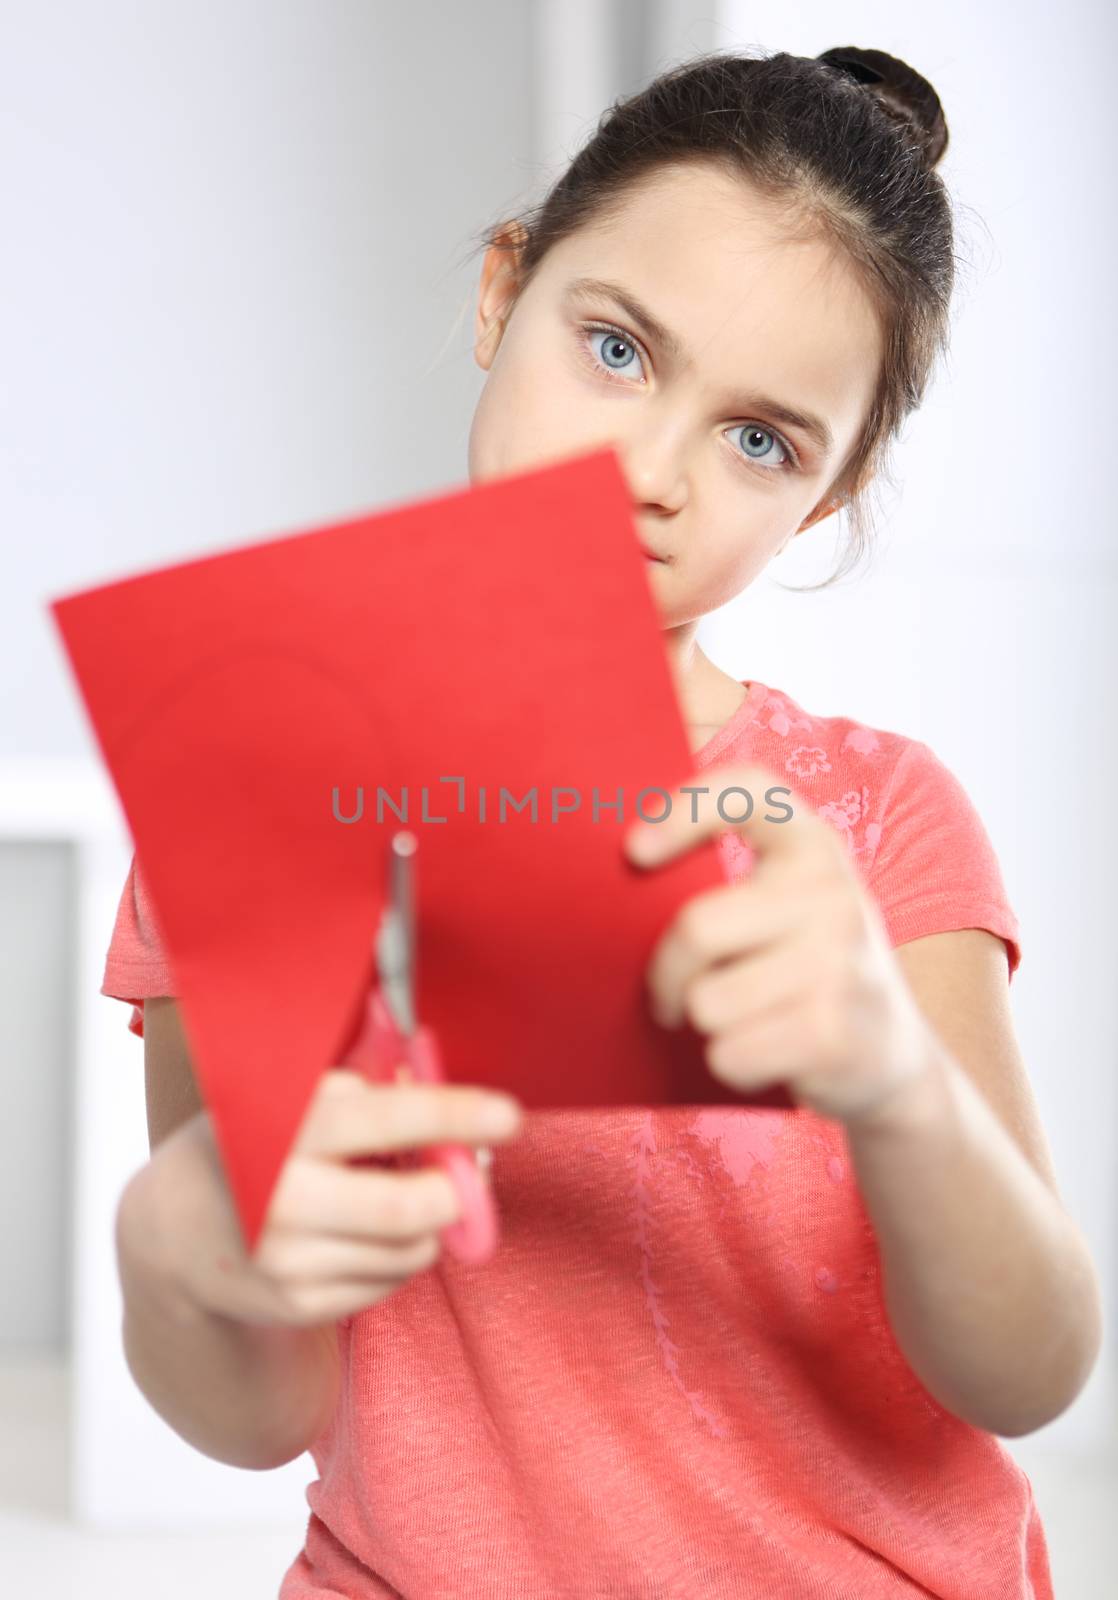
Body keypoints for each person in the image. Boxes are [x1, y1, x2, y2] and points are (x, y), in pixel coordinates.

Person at [105, 46, 1101, 1598]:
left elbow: (1028, 1370)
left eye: (759, 440)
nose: (651, 472)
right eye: (619, 349)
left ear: (821, 502)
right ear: (506, 288)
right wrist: (171, 1245)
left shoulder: (872, 820)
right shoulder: (254, 793)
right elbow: (256, 1408)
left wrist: (895, 1086)